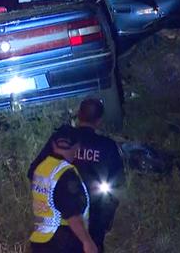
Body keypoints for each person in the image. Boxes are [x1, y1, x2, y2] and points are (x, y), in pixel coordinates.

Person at [28, 125, 98, 253]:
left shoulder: (41, 167)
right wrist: (87, 242)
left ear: (53, 145)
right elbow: (72, 215)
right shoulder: (65, 173)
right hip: (64, 241)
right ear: (76, 147)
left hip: (41, 240)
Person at [73, 98, 126, 252]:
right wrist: (106, 219)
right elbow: (117, 184)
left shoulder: (64, 140)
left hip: (63, 213)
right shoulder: (107, 146)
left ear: (78, 114)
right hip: (95, 215)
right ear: (99, 120)